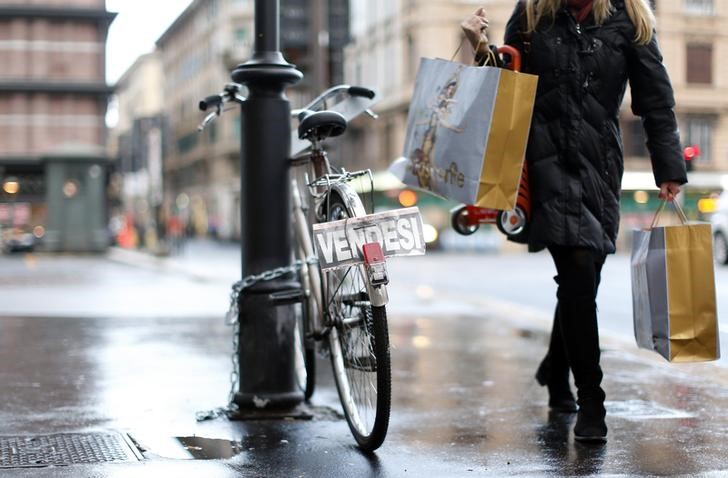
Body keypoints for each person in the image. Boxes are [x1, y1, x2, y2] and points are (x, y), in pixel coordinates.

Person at [461, 0, 687, 443]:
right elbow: (505, 89)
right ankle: (592, 401)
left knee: (583, 280)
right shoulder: (532, 14)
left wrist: (670, 169)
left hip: (598, 164)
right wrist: (479, 47)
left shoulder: (631, 18)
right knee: (578, 271)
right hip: (543, 160)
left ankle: (553, 369)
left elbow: (656, 102)